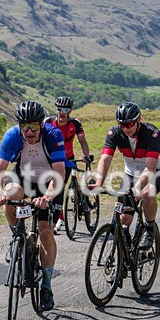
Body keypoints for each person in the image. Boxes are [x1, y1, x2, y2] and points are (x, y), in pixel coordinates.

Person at [0, 101, 66, 311]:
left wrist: (48, 197)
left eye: (33, 125)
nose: (29, 131)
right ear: (19, 126)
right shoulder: (12, 135)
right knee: (9, 198)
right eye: (24, 126)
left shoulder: (53, 135)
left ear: (41, 124)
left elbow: (59, 173)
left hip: (50, 181)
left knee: (45, 234)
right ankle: (17, 235)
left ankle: (47, 286)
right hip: (23, 178)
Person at [92, 102, 160, 249]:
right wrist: (98, 182)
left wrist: (138, 187)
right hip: (131, 173)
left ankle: (149, 229)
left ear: (138, 120)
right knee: (124, 219)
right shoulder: (115, 133)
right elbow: (105, 159)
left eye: (129, 124)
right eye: (122, 125)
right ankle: (125, 257)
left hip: (156, 169)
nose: (126, 128)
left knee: (147, 193)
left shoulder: (152, 133)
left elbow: (150, 167)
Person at [44, 96, 93, 234]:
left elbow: (82, 141)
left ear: (70, 110)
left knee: (61, 187)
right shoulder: (48, 122)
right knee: (53, 187)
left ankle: (81, 198)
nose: (62, 112)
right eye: (59, 109)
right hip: (51, 159)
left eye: (65, 109)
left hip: (68, 158)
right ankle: (60, 216)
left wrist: (86, 156)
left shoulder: (75, 124)